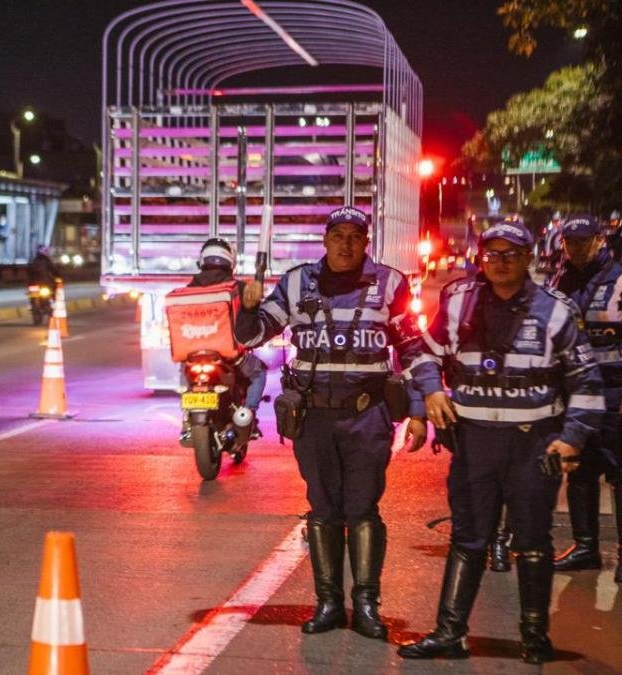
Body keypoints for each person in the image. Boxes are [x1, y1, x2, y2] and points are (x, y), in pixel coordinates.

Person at [399, 222, 604, 664]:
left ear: (529, 257)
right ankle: (449, 633)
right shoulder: (457, 301)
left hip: (533, 446)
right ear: (481, 257)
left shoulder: (557, 311)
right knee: (468, 538)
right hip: (474, 444)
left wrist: (572, 440)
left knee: (532, 541)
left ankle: (534, 638)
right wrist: (432, 389)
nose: (501, 261)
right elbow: (421, 351)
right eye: (492, 254)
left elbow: (586, 380)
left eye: (511, 254)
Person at [237, 206, 437, 640]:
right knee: (323, 509)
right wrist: (246, 306)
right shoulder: (295, 283)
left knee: (363, 509)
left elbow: (412, 346)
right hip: (314, 417)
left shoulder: (390, 284)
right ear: (324, 240)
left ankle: (366, 605)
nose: (346, 244)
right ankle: (328, 603)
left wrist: (420, 407)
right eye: (338, 235)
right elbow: (252, 337)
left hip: (368, 415)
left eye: (355, 236)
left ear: (367, 242)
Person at [546, 214, 622, 580]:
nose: (575, 248)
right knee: (580, 470)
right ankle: (586, 547)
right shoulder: (561, 279)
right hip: (576, 393)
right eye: (569, 242)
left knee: (619, 475)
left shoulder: (618, 279)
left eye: (582, 241)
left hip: (614, 393)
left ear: (599, 240)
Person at [182, 238, 267, 439]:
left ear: (201, 262)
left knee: (185, 368)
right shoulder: (239, 288)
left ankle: (186, 419)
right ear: (231, 263)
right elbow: (253, 316)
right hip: (230, 356)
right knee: (259, 371)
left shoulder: (188, 288)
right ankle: (249, 415)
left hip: (194, 355)